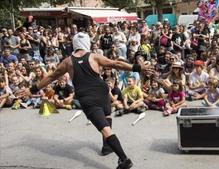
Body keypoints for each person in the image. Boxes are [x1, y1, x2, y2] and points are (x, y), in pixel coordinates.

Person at [19, 32, 153, 169]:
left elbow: (51, 77)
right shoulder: (94, 56)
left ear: (74, 45)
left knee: (105, 129)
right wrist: (138, 67)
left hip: (87, 97)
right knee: (106, 116)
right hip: (103, 92)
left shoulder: (68, 62)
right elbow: (116, 63)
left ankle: (124, 159)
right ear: (87, 43)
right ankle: (107, 147)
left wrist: (33, 89)